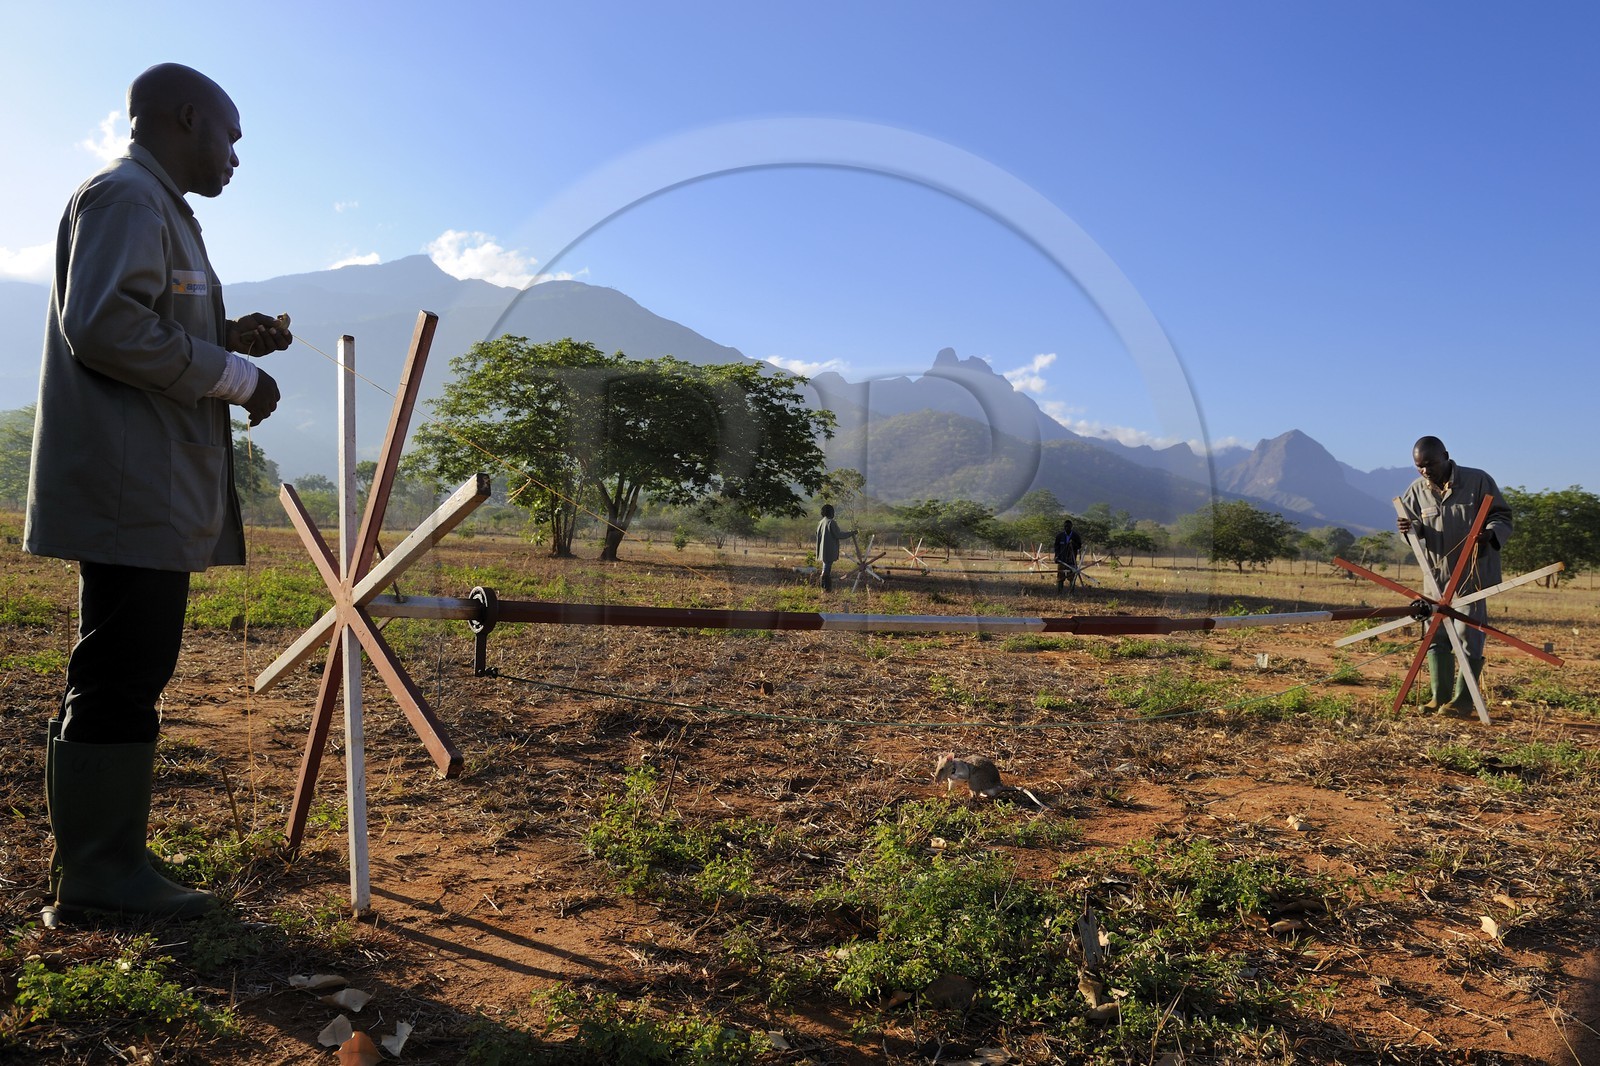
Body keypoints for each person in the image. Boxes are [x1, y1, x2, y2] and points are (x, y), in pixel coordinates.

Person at [25, 63, 291, 918]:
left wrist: (226, 334)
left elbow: (146, 319)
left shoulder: (159, 207)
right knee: (119, 673)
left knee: (126, 667)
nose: (237, 158)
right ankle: (100, 878)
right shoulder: (129, 199)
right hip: (126, 485)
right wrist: (235, 375)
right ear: (187, 118)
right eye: (233, 137)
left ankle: (107, 859)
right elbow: (104, 326)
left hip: (142, 484)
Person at [1395, 436, 1512, 716]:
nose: (1425, 471)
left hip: (1472, 576)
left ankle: (1462, 701)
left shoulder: (1478, 481)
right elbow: (1414, 533)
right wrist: (1409, 529)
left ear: (1446, 455)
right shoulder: (1415, 491)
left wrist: (1491, 534)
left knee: (1468, 637)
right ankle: (1439, 697)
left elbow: (1502, 516)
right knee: (1435, 636)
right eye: (1419, 466)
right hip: (1435, 578)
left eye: (1430, 464)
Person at [815, 503, 852, 592]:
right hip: (829, 550)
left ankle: (824, 588)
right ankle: (826, 589)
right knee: (826, 570)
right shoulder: (831, 522)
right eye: (832, 511)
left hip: (822, 550)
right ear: (830, 512)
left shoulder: (820, 522)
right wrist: (851, 533)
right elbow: (838, 535)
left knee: (825, 568)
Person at [1053, 517, 1084, 594]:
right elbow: (1056, 547)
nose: (1067, 528)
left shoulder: (1076, 536)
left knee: (1072, 576)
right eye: (1065, 526)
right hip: (1061, 559)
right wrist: (1056, 556)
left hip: (1071, 560)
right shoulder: (1059, 536)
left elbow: (1079, 546)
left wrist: (1073, 544)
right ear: (1064, 527)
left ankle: (1071, 592)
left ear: (1071, 527)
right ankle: (1059, 592)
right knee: (1060, 576)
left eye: (1068, 527)